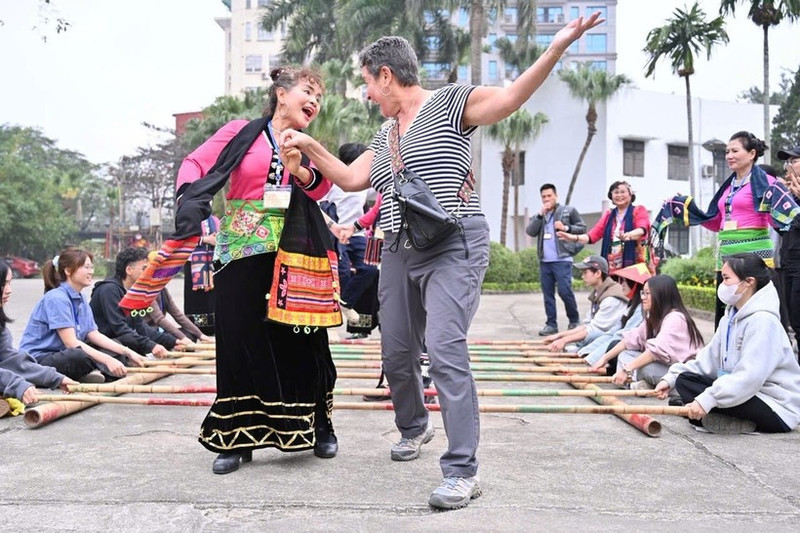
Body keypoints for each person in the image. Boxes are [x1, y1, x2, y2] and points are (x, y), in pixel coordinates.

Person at [279, 18, 604, 509]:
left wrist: (556, 46)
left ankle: (461, 471)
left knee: (443, 347)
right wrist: (308, 148)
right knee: (395, 352)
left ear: (385, 75)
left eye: (367, 82)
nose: (366, 93)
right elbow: (347, 179)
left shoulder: (450, 102)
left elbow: (511, 97)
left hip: (454, 244)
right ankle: (414, 427)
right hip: (398, 250)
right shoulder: (385, 132)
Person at [168, 66, 338, 475]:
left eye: (319, 97)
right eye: (307, 91)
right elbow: (195, 162)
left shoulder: (307, 141)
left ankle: (319, 427)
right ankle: (236, 436)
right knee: (240, 338)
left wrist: (299, 166)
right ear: (281, 93)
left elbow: (322, 188)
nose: (314, 101)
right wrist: (192, 205)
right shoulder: (241, 131)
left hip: (295, 246)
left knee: (302, 335)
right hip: (241, 243)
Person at [652, 132, 800, 328]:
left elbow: (786, 218)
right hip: (727, 259)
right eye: (727, 151)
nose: (729, 155)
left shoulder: (767, 183)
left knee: (754, 317)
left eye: (735, 151)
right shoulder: (727, 188)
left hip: (753, 259)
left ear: (752, 154)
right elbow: (716, 223)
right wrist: (687, 209)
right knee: (726, 319)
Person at [656, 254, 800, 434]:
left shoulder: (764, 321)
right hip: (747, 393)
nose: (722, 285)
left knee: (702, 398)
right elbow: (707, 360)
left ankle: (727, 418)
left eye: (726, 278)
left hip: (775, 406)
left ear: (749, 282)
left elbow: (749, 378)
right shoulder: (730, 317)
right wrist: (671, 379)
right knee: (686, 381)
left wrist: (708, 399)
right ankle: (723, 418)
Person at [20, 248, 144, 383]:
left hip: (63, 352)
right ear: (68, 271)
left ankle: (92, 372)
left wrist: (127, 352)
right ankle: (85, 373)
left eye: (92, 267)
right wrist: (107, 360)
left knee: (114, 347)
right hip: (39, 360)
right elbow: (71, 343)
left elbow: (94, 335)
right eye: (86, 267)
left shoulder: (81, 298)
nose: (91, 271)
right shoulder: (57, 298)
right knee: (79, 356)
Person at [590, 275, 704, 390]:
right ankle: (639, 383)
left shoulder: (675, 318)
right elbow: (629, 340)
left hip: (683, 372)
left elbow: (654, 352)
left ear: (661, 295)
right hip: (665, 366)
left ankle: (636, 383)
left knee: (645, 368)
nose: (643, 298)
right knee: (625, 355)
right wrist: (603, 359)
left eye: (647, 293)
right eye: (642, 293)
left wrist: (626, 370)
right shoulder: (654, 317)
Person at [0, 260, 77, 405]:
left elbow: (9, 358)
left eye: (10, 283)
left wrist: (55, 377)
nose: (9, 290)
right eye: (4, 284)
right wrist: (17, 385)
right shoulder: (56, 297)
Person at [320, 143, 379, 326]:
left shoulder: (363, 182)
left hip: (357, 234)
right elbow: (319, 204)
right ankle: (336, 311)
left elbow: (380, 192)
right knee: (342, 272)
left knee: (369, 269)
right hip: (336, 234)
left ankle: (345, 303)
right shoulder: (332, 182)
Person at [90, 247, 181, 359]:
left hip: (124, 337)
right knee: (128, 340)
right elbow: (120, 329)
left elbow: (141, 326)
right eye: (144, 269)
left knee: (175, 337)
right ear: (129, 270)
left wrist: (174, 341)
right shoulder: (109, 290)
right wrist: (152, 345)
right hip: (106, 343)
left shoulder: (134, 292)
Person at [525, 182, 586, 336]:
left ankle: (574, 320)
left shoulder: (568, 211)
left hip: (562, 259)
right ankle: (551, 324)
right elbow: (530, 231)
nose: (547, 199)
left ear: (556, 195)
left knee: (565, 291)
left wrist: (566, 228)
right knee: (548, 294)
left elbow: (582, 228)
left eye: (549, 196)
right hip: (545, 261)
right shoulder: (540, 215)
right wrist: (540, 215)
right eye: (544, 197)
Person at [558, 180, 651, 276]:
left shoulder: (638, 210)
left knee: (633, 289)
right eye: (616, 192)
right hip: (612, 265)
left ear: (630, 194)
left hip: (635, 263)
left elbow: (642, 229)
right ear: (611, 196)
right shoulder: (608, 216)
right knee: (613, 289)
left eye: (622, 192)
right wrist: (573, 238)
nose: (619, 195)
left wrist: (629, 235)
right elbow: (591, 236)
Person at [543, 255, 629, 354]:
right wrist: (559, 336)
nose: (582, 276)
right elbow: (588, 324)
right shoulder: (599, 292)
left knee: (590, 336)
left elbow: (594, 329)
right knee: (585, 336)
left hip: (616, 339)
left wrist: (564, 340)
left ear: (598, 273)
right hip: (603, 333)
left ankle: (582, 350)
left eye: (585, 273)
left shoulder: (611, 299)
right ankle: (581, 349)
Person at [578, 262, 651, 369]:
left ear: (635, 284)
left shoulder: (641, 308)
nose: (621, 284)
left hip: (637, 350)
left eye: (625, 281)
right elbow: (613, 332)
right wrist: (587, 352)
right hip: (622, 344)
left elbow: (622, 336)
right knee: (600, 336)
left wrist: (594, 358)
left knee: (616, 343)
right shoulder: (632, 305)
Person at [145, 252, 214, 344]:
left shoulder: (162, 288)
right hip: (150, 333)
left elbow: (178, 315)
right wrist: (182, 338)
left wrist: (201, 335)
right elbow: (159, 319)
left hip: (160, 331)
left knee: (191, 334)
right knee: (182, 338)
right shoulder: (147, 289)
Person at [776, 145, 800, 353]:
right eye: (788, 162)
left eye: (794, 160)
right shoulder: (789, 195)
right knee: (793, 321)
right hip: (788, 263)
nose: (789, 166)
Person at [183, 214, 218, 336]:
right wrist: (205, 239)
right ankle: (193, 331)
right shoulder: (188, 216)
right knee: (195, 300)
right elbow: (183, 239)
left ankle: (213, 328)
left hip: (212, 265)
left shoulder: (215, 220)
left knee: (211, 300)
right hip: (193, 265)